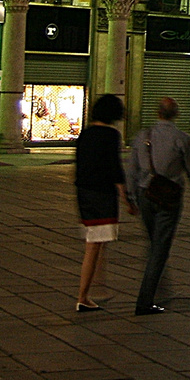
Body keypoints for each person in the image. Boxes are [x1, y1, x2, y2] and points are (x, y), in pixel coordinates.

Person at [125, 96, 190, 316]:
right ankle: (145, 301)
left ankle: (159, 285)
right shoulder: (182, 139)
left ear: (158, 113)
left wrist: (130, 197)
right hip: (169, 197)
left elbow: (132, 169)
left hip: (145, 193)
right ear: (176, 114)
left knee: (155, 243)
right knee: (160, 249)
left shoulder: (143, 136)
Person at [73, 94, 128, 312]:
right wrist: (126, 196)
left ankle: (97, 286)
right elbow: (116, 169)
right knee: (94, 246)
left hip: (84, 193)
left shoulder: (85, 135)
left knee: (97, 242)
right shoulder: (110, 135)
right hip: (102, 195)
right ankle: (83, 296)